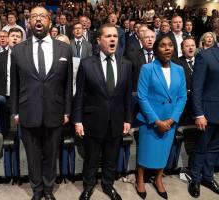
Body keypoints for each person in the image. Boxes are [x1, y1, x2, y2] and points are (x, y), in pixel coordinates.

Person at [10, 6, 72, 200]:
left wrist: (67, 111)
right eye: (34, 16)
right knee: (33, 156)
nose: (38, 19)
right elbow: (14, 84)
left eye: (42, 16)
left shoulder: (64, 49)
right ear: (28, 22)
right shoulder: (19, 49)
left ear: (50, 22)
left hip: (55, 110)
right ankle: (37, 190)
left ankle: (48, 189)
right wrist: (15, 112)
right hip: (28, 111)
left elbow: (68, 83)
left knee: (51, 154)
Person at [74, 23, 132, 200]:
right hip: (92, 120)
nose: (113, 39)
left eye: (115, 36)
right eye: (108, 36)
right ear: (99, 40)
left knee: (110, 158)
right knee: (91, 158)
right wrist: (78, 121)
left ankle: (108, 185)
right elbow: (80, 96)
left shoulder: (126, 64)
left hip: (116, 120)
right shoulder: (86, 64)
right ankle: (88, 186)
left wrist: (128, 119)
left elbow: (127, 95)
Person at [136, 34, 187, 199]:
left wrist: (171, 120)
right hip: (151, 121)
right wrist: (157, 121)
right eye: (163, 45)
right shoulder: (147, 69)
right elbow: (142, 97)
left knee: (163, 153)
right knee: (145, 153)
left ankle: (158, 179)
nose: (167, 48)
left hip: (170, 121)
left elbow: (182, 97)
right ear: (156, 50)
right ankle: (141, 179)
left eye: (170, 45)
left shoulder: (179, 70)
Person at [188, 36, 219, 198]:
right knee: (201, 148)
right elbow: (196, 88)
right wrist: (198, 113)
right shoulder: (205, 55)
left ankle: (208, 177)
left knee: (215, 148)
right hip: (207, 113)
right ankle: (195, 179)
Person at [0, 27, 23, 137]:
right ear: (8, 38)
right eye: (12, 36)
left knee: (21, 131)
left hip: (21, 97)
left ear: (21, 40)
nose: (15, 38)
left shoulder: (26, 57)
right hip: (3, 97)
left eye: (18, 36)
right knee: (4, 129)